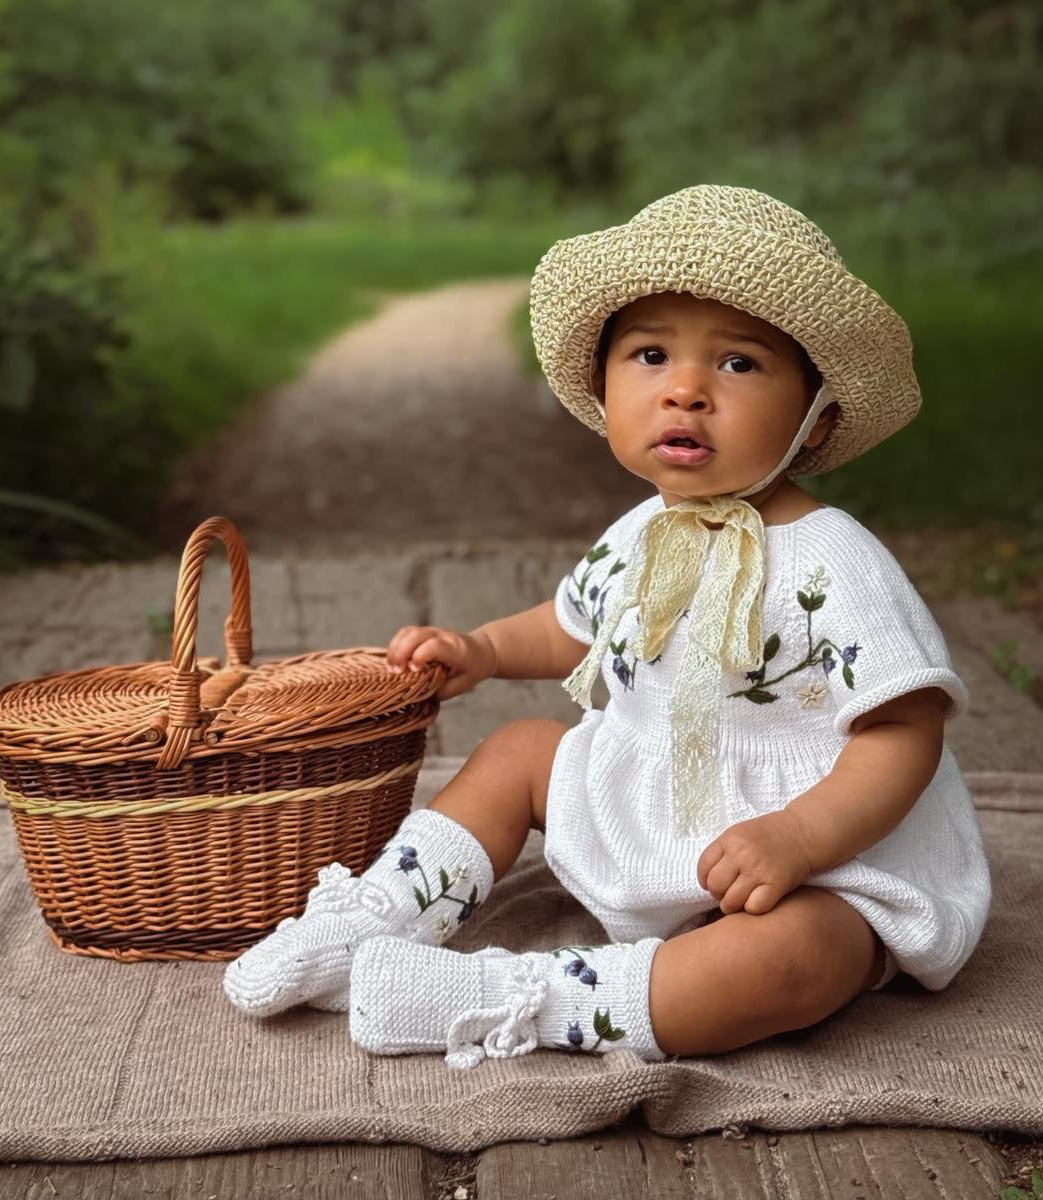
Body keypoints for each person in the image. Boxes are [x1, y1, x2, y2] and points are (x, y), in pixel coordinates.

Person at [221, 184, 992, 1070]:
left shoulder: (833, 561)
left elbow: (904, 732)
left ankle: (525, 1000)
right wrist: (483, 649)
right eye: (651, 355)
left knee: (798, 960)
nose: (687, 392)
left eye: (738, 365)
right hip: (656, 801)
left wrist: (802, 837)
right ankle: (376, 916)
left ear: (816, 419)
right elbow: (573, 627)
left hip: (812, 853)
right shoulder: (640, 533)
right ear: (602, 384)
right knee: (517, 750)